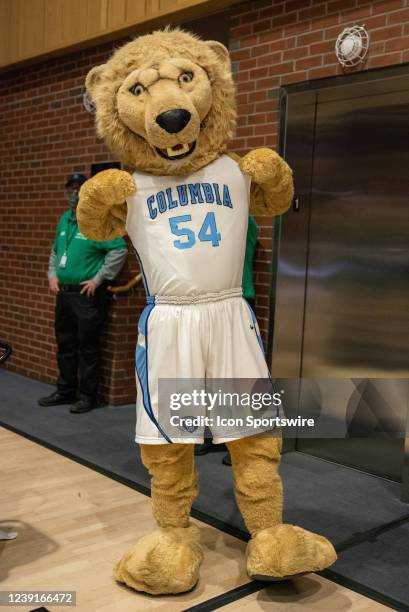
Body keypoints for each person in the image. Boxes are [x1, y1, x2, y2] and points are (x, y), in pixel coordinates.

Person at [38, 173, 127, 413]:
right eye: (70, 189)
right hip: (64, 295)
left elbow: (118, 250)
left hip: (87, 297)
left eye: (78, 189)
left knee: (87, 346)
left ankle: (88, 397)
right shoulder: (65, 219)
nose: (73, 194)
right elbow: (55, 252)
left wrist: (98, 279)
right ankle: (65, 391)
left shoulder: (97, 220)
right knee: (64, 343)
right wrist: (52, 275)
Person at [195, 215, 259, 458]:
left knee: (235, 375)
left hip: (237, 300)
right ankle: (213, 434)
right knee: (206, 373)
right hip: (208, 302)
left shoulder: (243, 218)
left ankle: (241, 442)